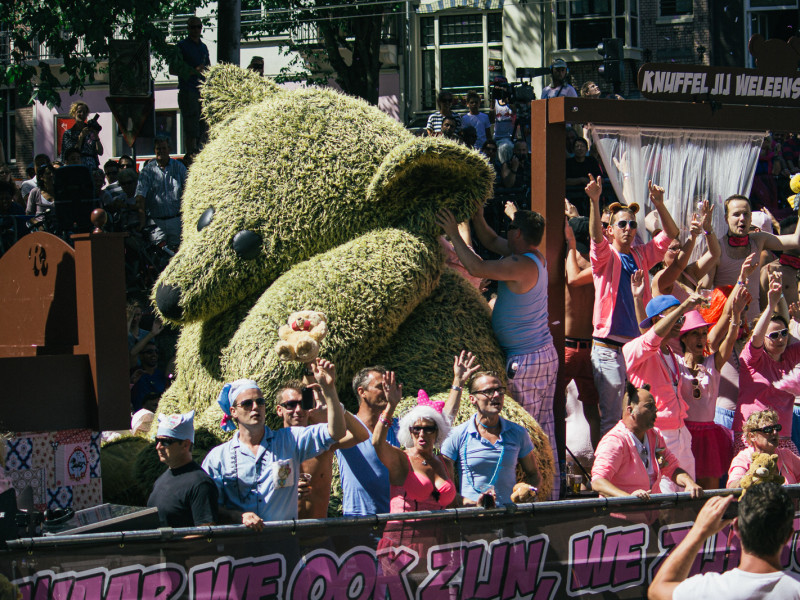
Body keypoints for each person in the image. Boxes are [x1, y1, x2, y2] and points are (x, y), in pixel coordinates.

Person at [436, 206, 559, 497]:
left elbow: (476, 268)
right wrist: (478, 214)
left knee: (527, 433)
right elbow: (491, 241)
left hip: (527, 360)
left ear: (518, 234)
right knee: (544, 429)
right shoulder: (531, 255)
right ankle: (549, 496)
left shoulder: (522, 264)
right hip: (539, 355)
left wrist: (453, 232)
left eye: (510, 226)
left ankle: (535, 497)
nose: (506, 230)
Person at [201, 358, 347, 530]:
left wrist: (329, 390)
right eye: (247, 404)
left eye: (260, 402)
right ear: (233, 412)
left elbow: (336, 432)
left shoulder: (289, 439)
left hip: (283, 542)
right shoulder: (218, 457)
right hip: (240, 543)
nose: (255, 407)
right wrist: (238, 516)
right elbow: (207, 507)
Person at [586, 175, 680, 437]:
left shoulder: (641, 255)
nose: (628, 228)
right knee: (612, 418)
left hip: (636, 349)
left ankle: (637, 461)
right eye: (622, 224)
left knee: (639, 415)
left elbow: (672, 234)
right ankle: (609, 463)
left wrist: (659, 204)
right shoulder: (605, 256)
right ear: (611, 230)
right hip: (608, 349)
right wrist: (594, 201)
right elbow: (595, 237)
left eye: (632, 224)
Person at [336, 352, 480, 516]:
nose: (387, 391)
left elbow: (440, 421)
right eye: (381, 387)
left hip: (395, 516)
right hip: (359, 518)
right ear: (362, 392)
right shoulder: (346, 428)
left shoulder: (398, 427)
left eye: (389, 386)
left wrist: (458, 383)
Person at [648, 483, 800, 600]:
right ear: (788, 536)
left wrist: (699, 531)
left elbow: (658, 590)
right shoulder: (796, 589)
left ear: (736, 527)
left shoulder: (711, 590)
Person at [624, 293, 707, 492]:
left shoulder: (671, 351)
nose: (679, 323)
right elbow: (651, 338)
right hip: (657, 433)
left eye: (681, 318)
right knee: (665, 497)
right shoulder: (636, 348)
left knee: (690, 494)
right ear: (655, 321)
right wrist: (684, 306)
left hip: (680, 433)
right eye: (674, 317)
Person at [677, 287, 747, 489]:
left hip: (709, 437)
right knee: (684, 490)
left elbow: (730, 338)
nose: (701, 338)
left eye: (703, 333)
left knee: (710, 491)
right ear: (684, 338)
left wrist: (736, 314)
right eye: (695, 334)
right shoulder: (675, 363)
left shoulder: (713, 362)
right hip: (683, 434)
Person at [441, 371, 541, 506]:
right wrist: (473, 505)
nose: (496, 395)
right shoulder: (456, 435)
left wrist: (529, 492)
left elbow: (534, 474)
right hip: (472, 516)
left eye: (499, 390)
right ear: (472, 399)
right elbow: (446, 487)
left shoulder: (518, 433)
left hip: (510, 516)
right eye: (488, 391)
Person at [273, 379, 367, 519]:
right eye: (291, 405)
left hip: (317, 529)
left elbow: (361, 435)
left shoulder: (323, 442)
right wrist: (288, 490)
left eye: (303, 404)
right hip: (283, 529)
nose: (298, 410)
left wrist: (335, 406)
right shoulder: (272, 445)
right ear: (279, 410)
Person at [591, 382, 702, 500]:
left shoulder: (654, 435)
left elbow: (671, 468)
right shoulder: (614, 441)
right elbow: (598, 482)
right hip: (621, 510)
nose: (656, 410)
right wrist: (629, 498)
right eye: (649, 406)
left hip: (652, 508)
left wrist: (689, 482)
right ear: (631, 410)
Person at [733, 270, 800, 454]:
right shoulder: (753, 358)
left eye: (784, 333)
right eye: (774, 335)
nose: (781, 339)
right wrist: (770, 305)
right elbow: (756, 337)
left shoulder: (789, 356)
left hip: (783, 438)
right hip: (753, 438)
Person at [564, 213, 600, 447]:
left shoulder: (567, 263)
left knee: (552, 407)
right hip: (591, 347)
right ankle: (600, 459)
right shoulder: (598, 265)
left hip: (567, 346)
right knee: (593, 411)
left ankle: (554, 460)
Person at [147, 410, 218, 527]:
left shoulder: (200, 483)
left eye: (165, 442)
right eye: (157, 440)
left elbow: (205, 530)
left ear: (185, 445)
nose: (158, 447)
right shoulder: (162, 479)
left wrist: (178, 539)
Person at [134, 136, 188, 247]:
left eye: (164, 148)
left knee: (177, 252)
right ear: (154, 150)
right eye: (158, 149)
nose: (161, 151)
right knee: (158, 253)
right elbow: (140, 197)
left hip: (176, 221)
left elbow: (189, 191)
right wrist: (142, 220)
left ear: (169, 150)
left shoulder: (179, 168)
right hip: (156, 223)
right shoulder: (147, 171)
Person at [728, 409, 800, 487]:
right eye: (768, 429)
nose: (775, 432)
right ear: (752, 436)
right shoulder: (743, 459)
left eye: (776, 428)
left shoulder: (786, 455)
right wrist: (752, 475)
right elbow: (732, 487)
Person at [174, 16, 210, 155]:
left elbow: (208, 68)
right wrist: (193, 70)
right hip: (188, 91)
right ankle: (191, 156)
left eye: (198, 27)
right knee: (191, 129)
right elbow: (174, 68)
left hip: (202, 92)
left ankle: (201, 155)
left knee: (203, 128)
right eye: (193, 27)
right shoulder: (181, 46)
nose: (196, 30)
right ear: (188, 29)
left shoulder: (203, 47)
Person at [60, 101, 103, 169]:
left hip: (92, 166)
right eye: (79, 111)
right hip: (77, 166)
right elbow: (71, 153)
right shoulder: (68, 133)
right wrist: (81, 137)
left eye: (85, 112)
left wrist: (96, 136)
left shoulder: (90, 131)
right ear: (74, 113)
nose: (82, 114)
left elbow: (100, 152)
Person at [130, 342, 168, 413]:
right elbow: (132, 353)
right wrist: (151, 335)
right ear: (140, 356)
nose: (154, 354)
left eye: (156, 352)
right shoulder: (136, 373)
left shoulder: (161, 375)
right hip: (140, 416)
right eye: (149, 352)